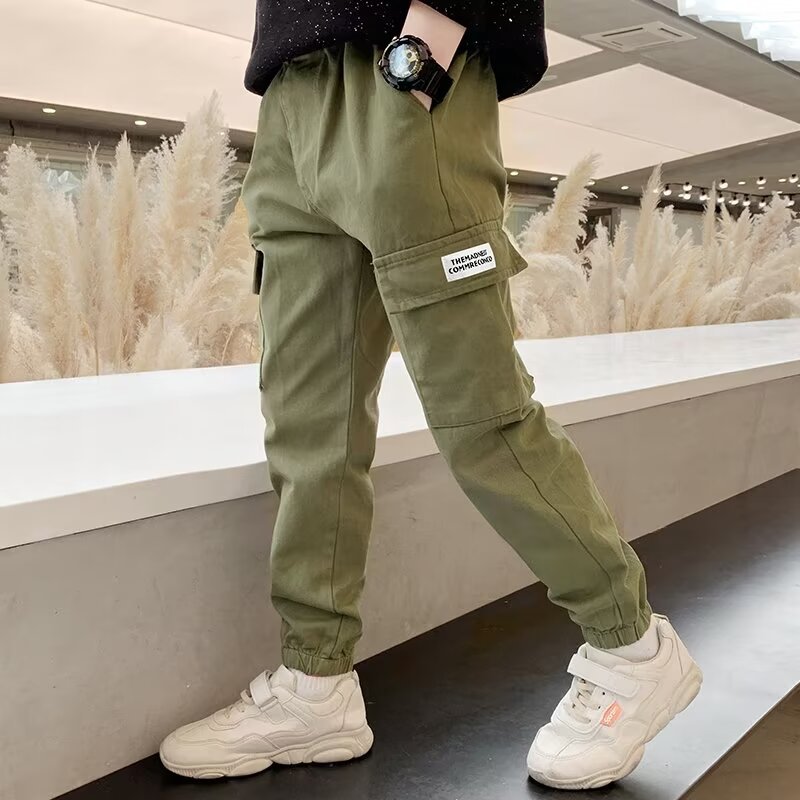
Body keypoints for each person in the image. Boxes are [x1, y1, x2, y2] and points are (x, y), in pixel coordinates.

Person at [159, 0, 702, 790]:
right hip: (289, 98)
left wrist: (431, 38)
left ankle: (633, 647)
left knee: (481, 416)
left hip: (406, 74)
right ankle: (316, 684)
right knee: (308, 429)